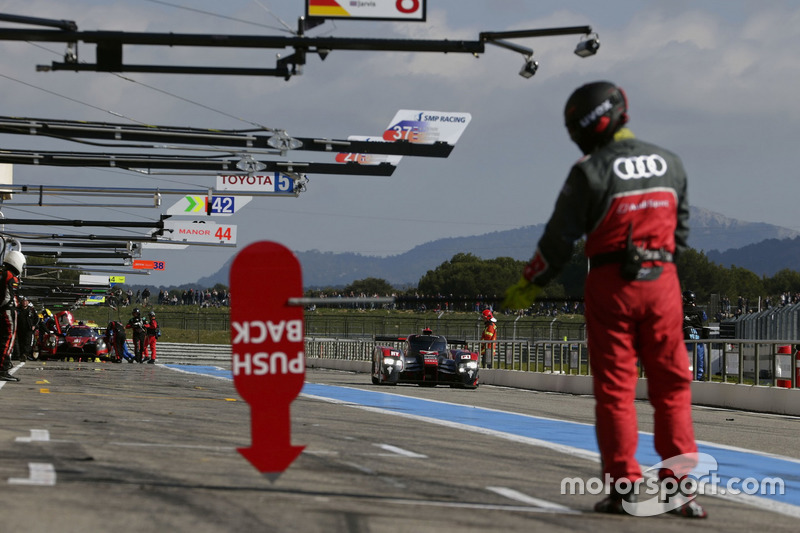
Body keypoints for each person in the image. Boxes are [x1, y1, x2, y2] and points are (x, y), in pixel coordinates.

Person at [503, 81, 705, 518]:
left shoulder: (589, 170)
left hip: (611, 282)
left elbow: (558, 241)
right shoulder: (671, 162)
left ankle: (625, 490)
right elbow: (682, 232)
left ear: (587, 127)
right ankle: (680, 490)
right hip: (664, 280)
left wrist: (528, 285)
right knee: (672, 389)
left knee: (616, 391)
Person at [0, 250, 25, 381]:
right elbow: (6, 296)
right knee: (8, 338)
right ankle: (3, 369)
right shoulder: (10, 276)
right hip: (8, 310)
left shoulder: (3, 273)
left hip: (3, 310)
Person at [682, 290, 708, 380]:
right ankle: (699, 377)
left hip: (684, 340)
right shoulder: (700, 311)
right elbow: (705, 318)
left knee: (682, 361)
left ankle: (684, 376)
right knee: (699, 362)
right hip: (698, 340)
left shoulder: (679, 310)